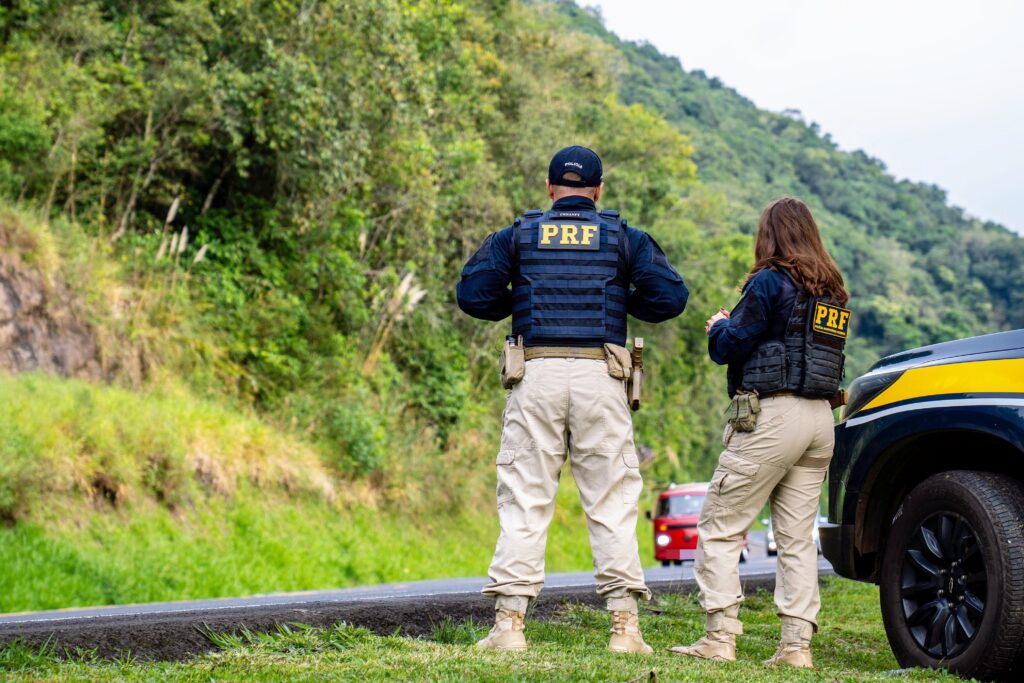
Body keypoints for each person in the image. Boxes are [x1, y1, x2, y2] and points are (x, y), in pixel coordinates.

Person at [456, 145, 688, 654]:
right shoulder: (623, 237)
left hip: (534, 372)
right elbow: (671, 298)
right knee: (612, 502)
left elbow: (471, 294)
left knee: (525, 498)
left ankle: (509, 626)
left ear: (550, 188)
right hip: (601, 375)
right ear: (599, 190)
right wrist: (619, 296)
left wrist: (518, 296)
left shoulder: (518, 234)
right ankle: (625, 630)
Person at [670, 197, 850, 669]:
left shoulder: (770, 280)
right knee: (794, 538)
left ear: (769, 234)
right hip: (819, 421)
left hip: (775, 417)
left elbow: (730, 345)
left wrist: (719, 325)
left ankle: (720, 636)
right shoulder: (832, 291)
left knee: (721, 525)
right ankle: (796, 648)